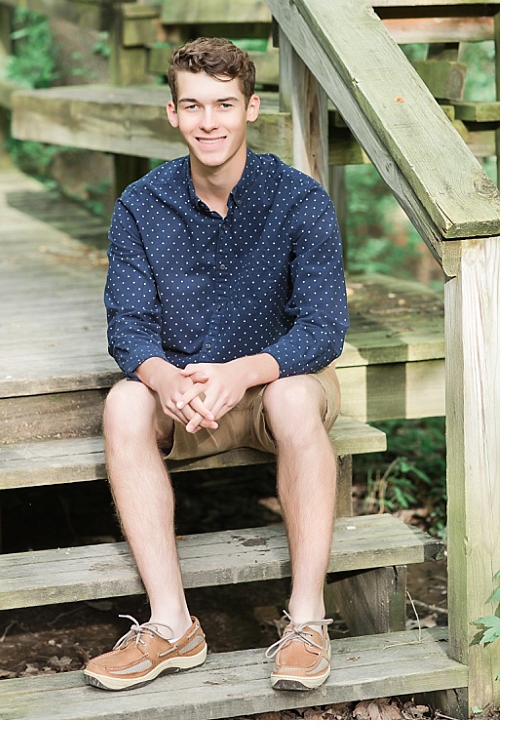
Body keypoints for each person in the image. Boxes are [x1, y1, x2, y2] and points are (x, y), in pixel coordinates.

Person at [83, 37, 348, 693]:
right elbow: (129, 326)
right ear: (172, 114)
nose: (210, 121)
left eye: (224, 104)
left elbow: (323, 328)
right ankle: (172, 626)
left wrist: (244, 372)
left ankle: (308, 621)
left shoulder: (300, 200)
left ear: (251, 108)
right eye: (193, 106)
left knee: (290, 399)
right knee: (123, 402)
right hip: (187, 393)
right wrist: (165, 377)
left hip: (276, 383)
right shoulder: (142, 205)